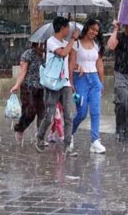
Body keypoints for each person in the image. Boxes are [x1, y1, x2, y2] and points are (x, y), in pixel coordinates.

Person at [36, 16, 79, 156]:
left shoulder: (66, 42)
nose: (68, 30)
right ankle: (40, 136)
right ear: (62, 27)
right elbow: (62, 53)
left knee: (68, 115)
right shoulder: (50, 42)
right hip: (53, 83)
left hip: (65, 83)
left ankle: (67, 145)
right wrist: (72, 40)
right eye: (67, 27)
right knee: (49, 115)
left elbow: (71, 57)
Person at [70, 19, 106, 154]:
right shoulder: (76, 44)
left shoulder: (96, 45)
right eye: (92, 29)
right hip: (80, 79)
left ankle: (95, 141)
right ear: (87, 28)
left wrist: (101, 83)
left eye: (96, 31)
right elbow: (71, 62)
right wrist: (71, 82)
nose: (94, 33)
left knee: (96, 111)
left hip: (94, 79)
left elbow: (100, 65)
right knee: (82, 112)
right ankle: (70, 133)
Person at [10, 42, 45, 145]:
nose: (43, 47)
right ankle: (20, 128)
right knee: (30, 110)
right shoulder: (28, 54)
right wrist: (17, 85)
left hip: (42, 87)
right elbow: (23, 71)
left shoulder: (47, 55)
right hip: (28, 87)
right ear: (36, 44)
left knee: (42, 113)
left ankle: (40, 136)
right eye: (41, 44)